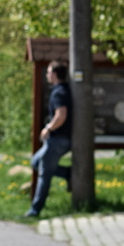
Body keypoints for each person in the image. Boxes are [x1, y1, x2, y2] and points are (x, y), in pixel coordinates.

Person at [25, 60, 72, 217]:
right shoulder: (63, 89)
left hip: (58, 139)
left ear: (55, 74)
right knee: (35, 162)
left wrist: (48, 128)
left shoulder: (59, 92)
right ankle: (68, 173)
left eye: (49, 72)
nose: (47, 75)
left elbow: (61, 114)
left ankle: (35, 210)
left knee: (44, 174)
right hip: (59, 139)